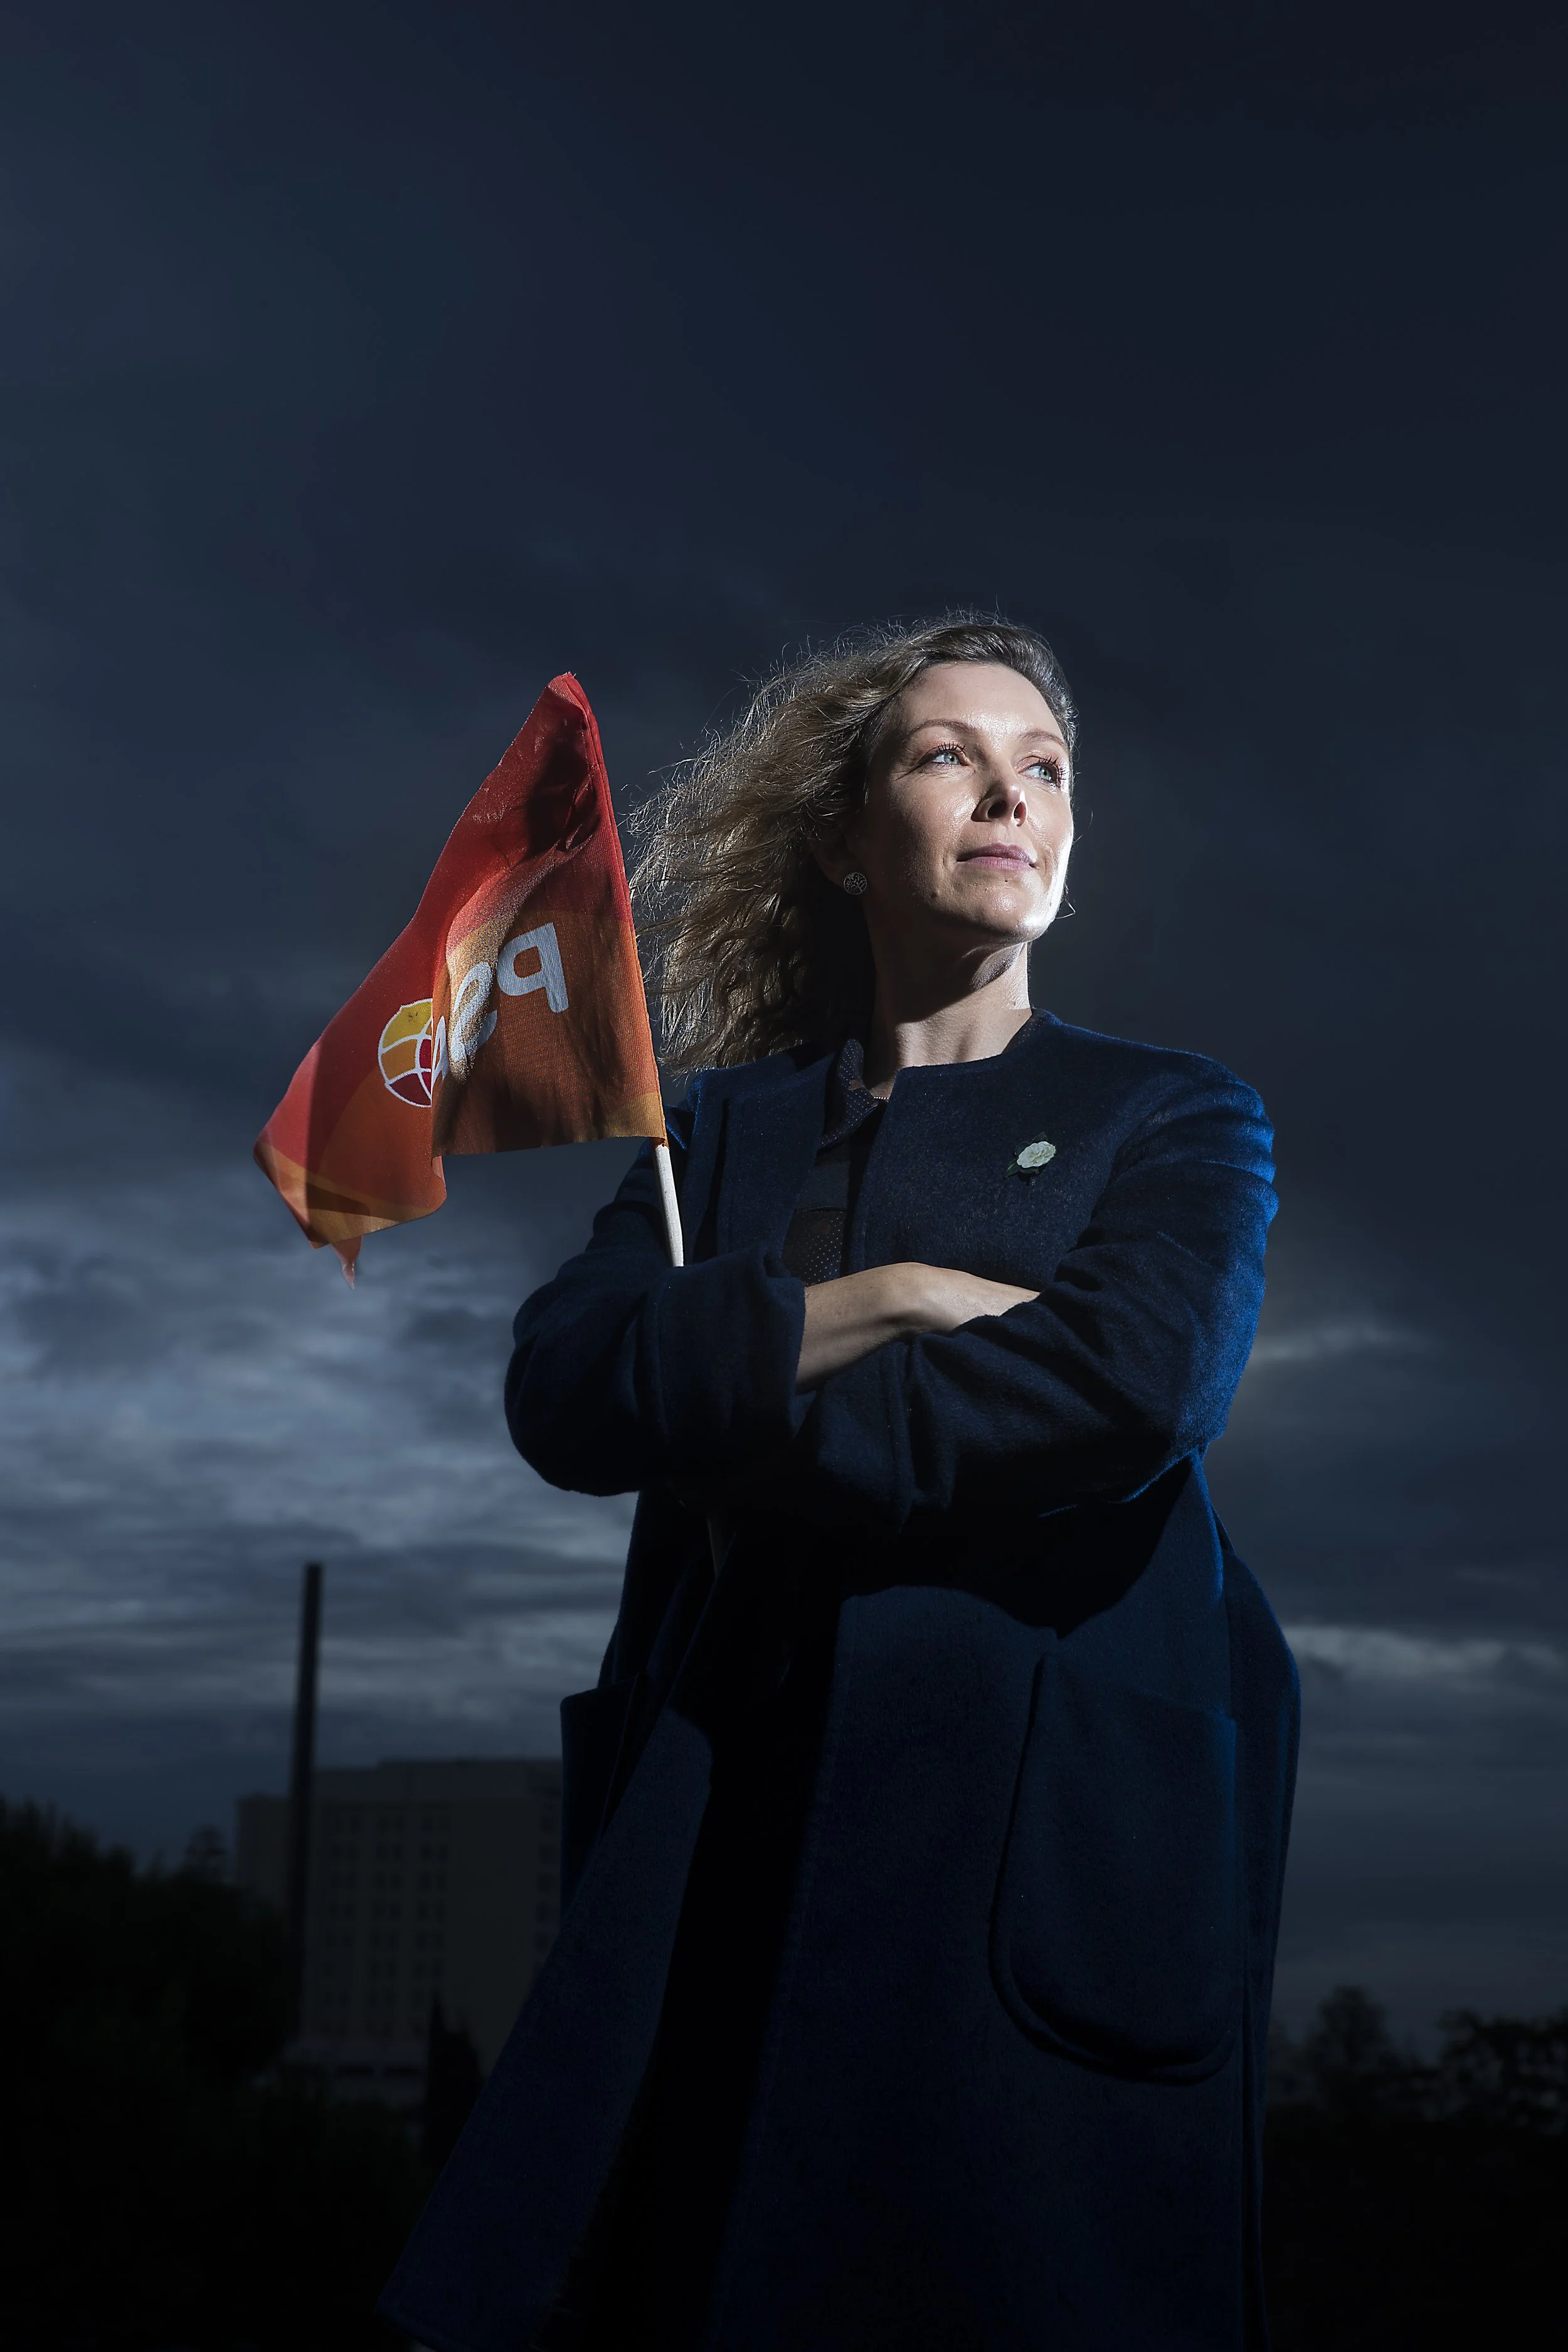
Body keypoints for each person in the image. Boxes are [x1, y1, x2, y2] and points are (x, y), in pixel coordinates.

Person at [382, 618, 1300, 2352]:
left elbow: (1128, 1383)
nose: (1009, 795)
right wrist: (881, 1301)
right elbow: (564, 1386)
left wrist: (723, 1413)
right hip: (718, 1833)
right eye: (948, 755)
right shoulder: (717, 1132)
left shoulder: (1175, 1117)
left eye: (1044, 767)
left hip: (1030, 1860)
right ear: (842, 839)